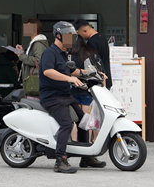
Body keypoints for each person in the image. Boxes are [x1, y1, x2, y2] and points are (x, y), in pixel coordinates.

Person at [39, 21, 105, 173]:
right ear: (58, 36)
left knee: (84, 122)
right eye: (68, 36)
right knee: (67, 124)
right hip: (52, 97)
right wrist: (68, 79)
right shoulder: (50, 53)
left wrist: (91, 73)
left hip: (65, 96)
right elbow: (48, 71)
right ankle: (60, 160)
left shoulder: (63, 53)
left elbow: (73, 71)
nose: (72, 40)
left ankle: (86, 157)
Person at [75, 20, 111, 90]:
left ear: (85, 31)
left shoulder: (92, 42)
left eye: (80, 34)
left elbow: (93, 62)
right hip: (107, 77)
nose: (80, 37)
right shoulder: (102, 36)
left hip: (99, 80)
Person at [16, 19, 48, 95]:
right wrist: (22, 52)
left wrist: (21, 55)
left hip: (34, 80)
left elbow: (38, 60)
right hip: (33, 79)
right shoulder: (35, 43)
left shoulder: (38, 44)